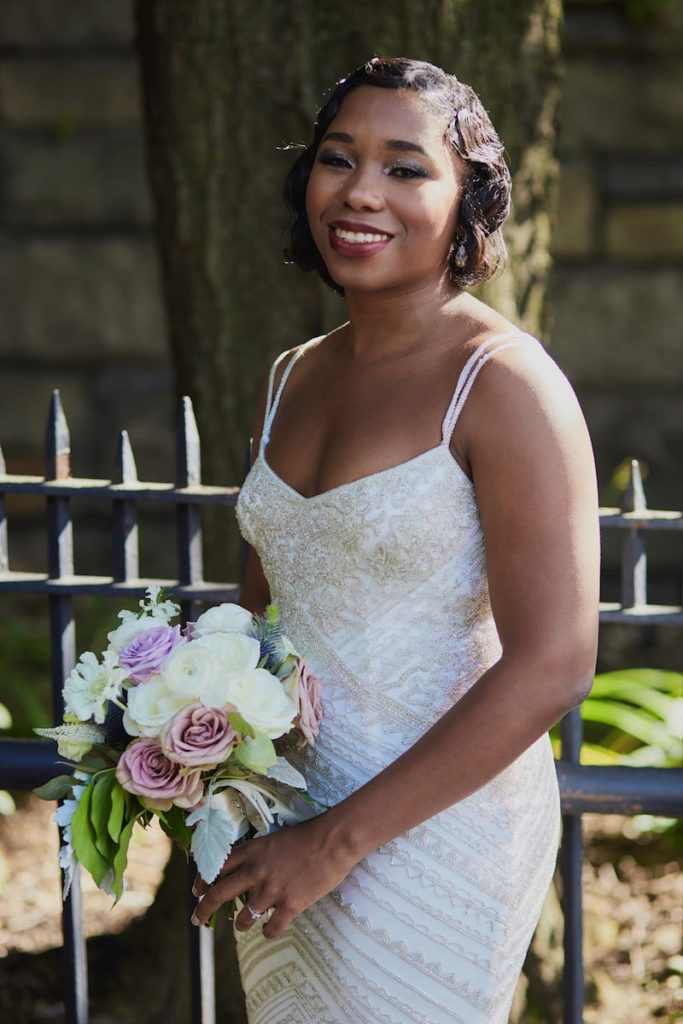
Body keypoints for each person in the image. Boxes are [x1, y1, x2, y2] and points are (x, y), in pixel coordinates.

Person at [191, 56, 600, 1024]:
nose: (360, 191)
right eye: (337, 159)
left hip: (436, 829)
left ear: (468, 201)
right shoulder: (289, 375)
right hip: (287, 813)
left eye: (405, 167)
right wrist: (181, 742)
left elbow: (553, 662)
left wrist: (334, 842)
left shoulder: (502, 383)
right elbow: (261, 615)